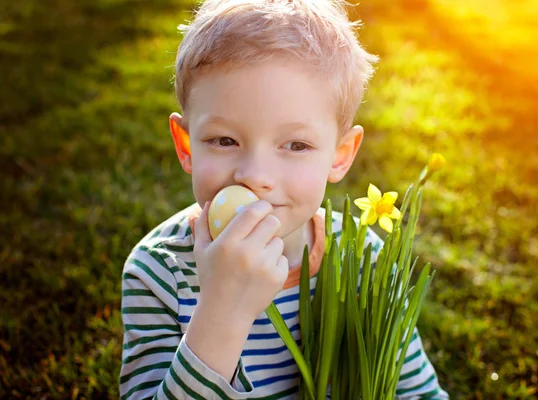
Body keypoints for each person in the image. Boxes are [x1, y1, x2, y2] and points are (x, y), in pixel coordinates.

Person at [119, 0, 448, 398]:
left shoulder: (363, 263)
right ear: (186, 145)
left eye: (295, 144)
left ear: (340, 155)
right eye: (225, 140)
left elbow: (418, 393)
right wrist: (221, 314)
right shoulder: (159, 272)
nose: (256, 176)